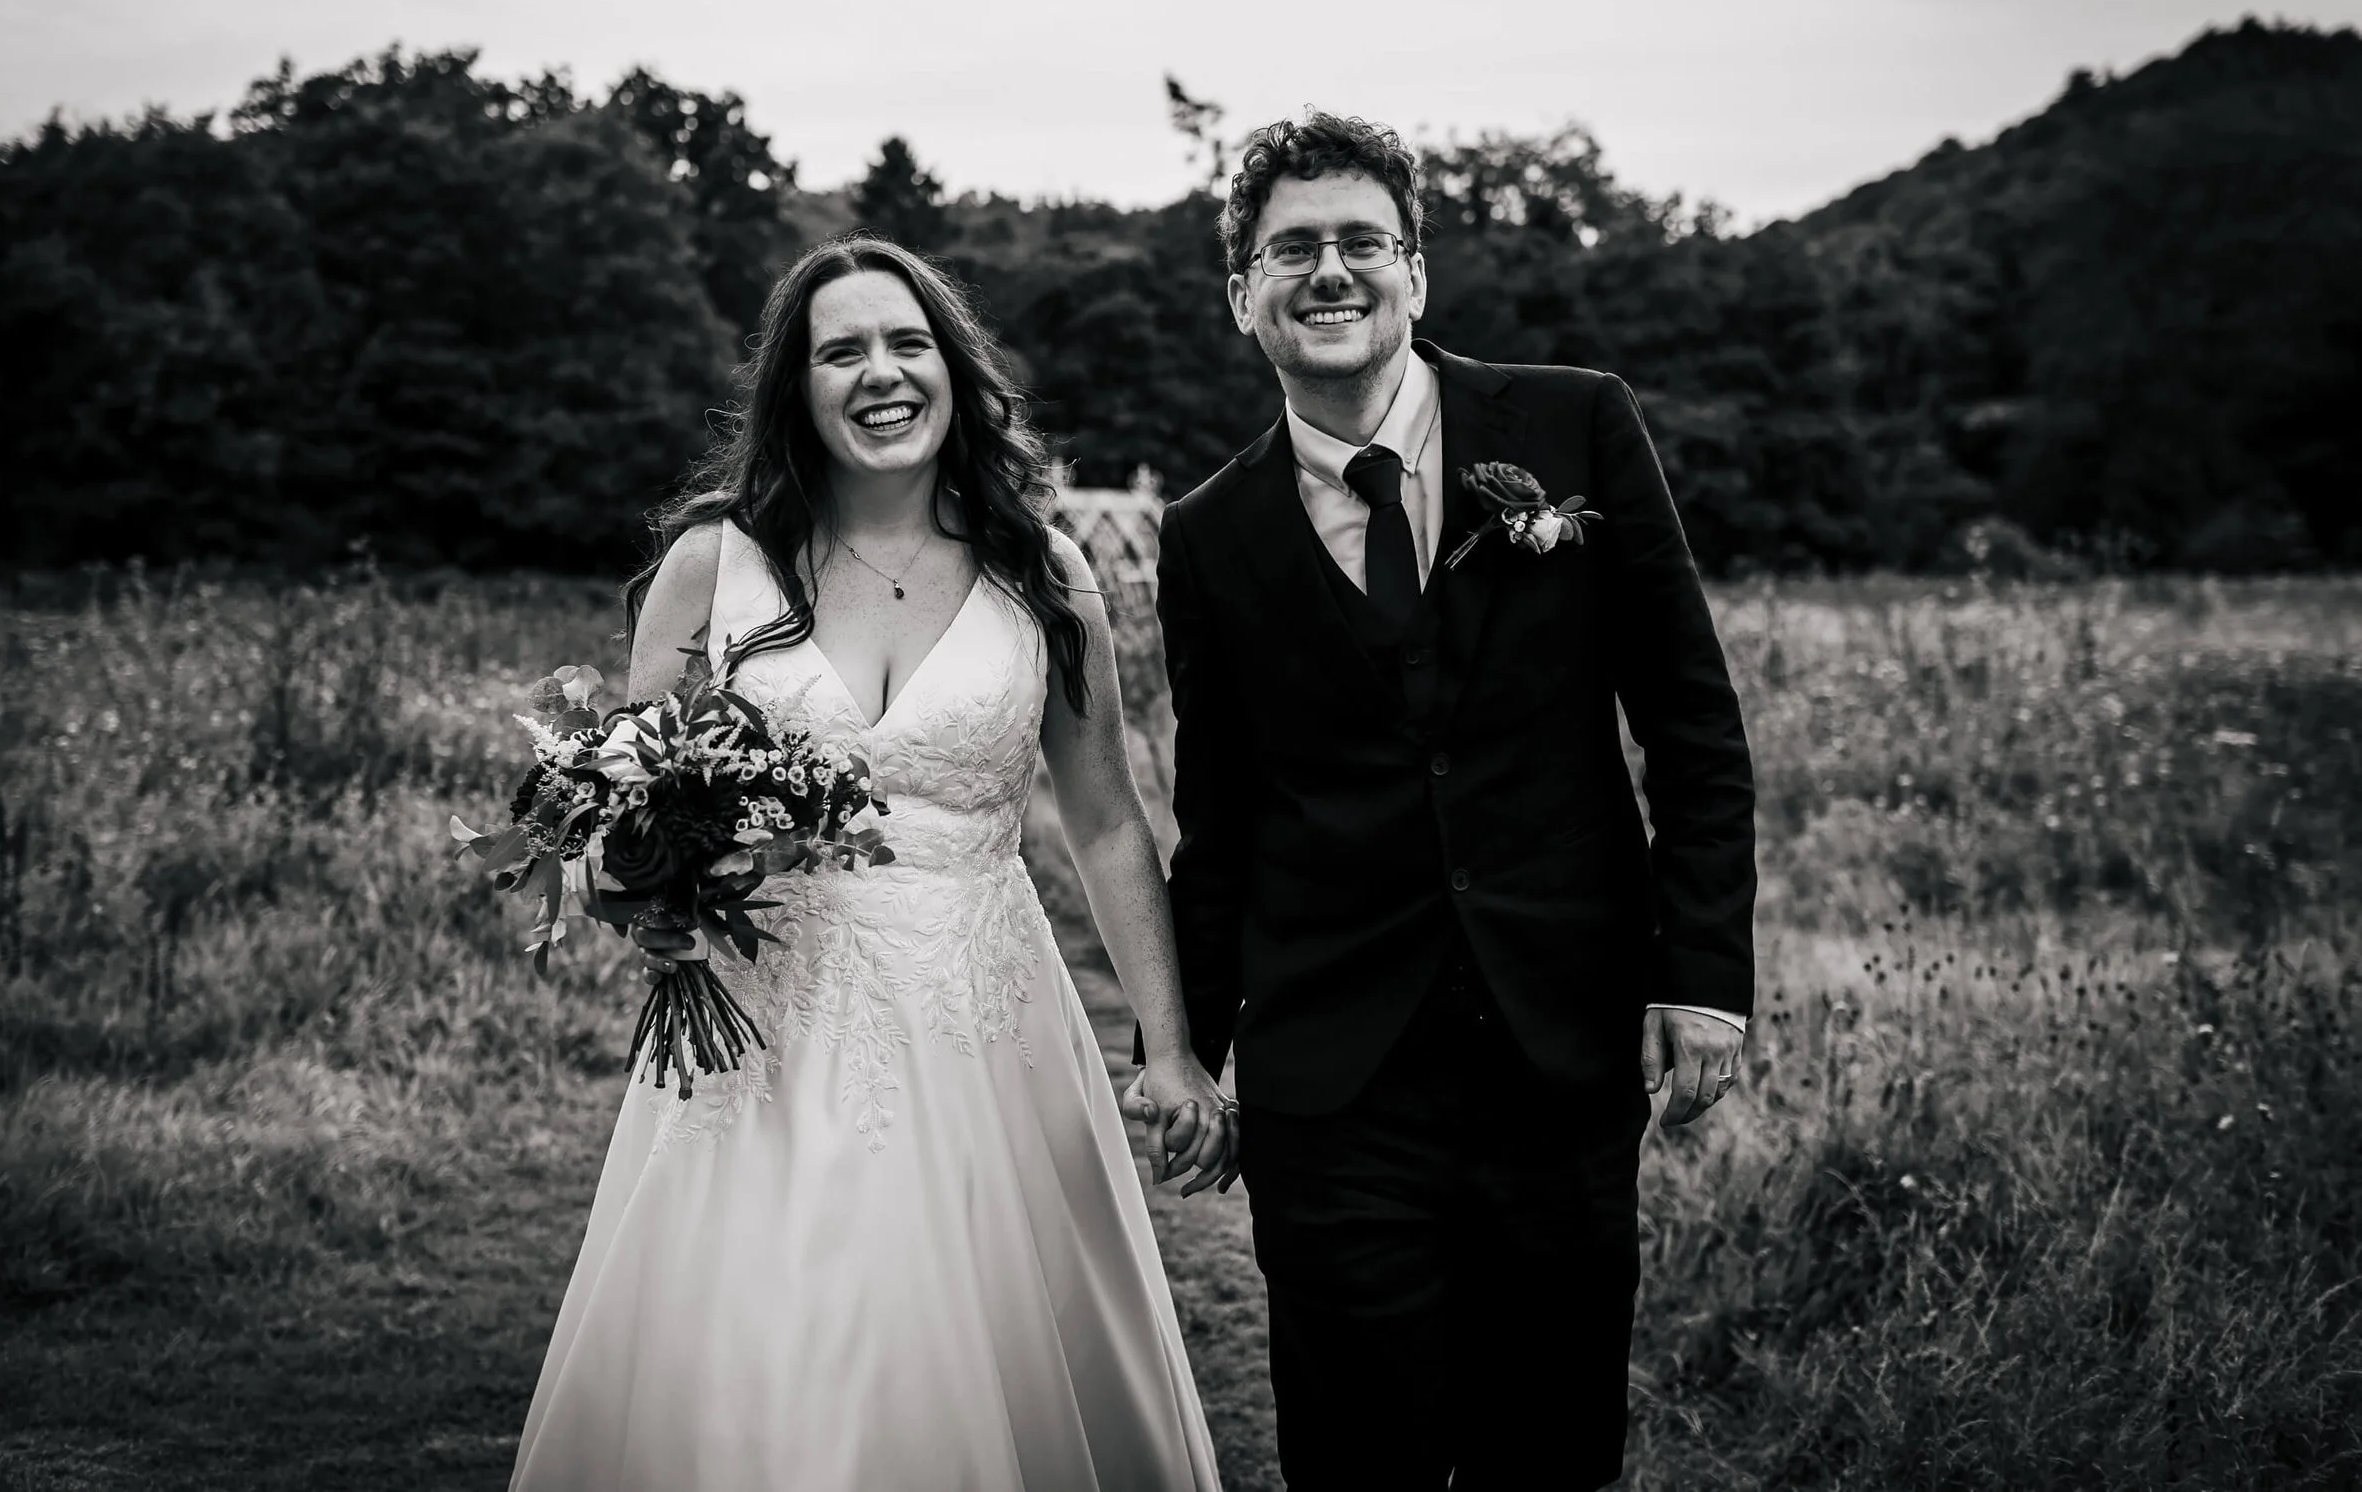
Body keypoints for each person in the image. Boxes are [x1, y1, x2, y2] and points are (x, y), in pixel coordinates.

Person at [511, 235, 1230, 1491]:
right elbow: (632, 809)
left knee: (997, 1347)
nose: (880, 372)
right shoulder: (711, 567)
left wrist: (1169, 1050)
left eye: (907, 343)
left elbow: (1108, 817)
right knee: (776, 1347)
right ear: (797, 386)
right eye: (841, 349)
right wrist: (637, 899)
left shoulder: (1042, 569)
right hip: (769, 1032)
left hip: (987, 1027)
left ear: (954, 370)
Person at [1134, 115, 1756, 1490]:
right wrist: (1185, 1046)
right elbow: (1219, 815)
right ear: (1242, 293)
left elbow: (1691, 718)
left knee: (1551, 1449)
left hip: (1560, 1047)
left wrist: (1703, 970)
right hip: (1333, 1078)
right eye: (1291, 248)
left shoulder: (1576, 421)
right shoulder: (1209, 531)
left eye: (1362, 240)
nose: (1330, 270)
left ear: (1416, 272)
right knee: (1361, 1456)